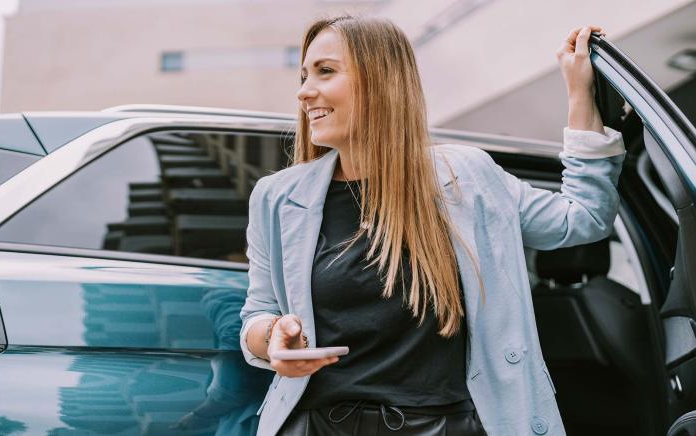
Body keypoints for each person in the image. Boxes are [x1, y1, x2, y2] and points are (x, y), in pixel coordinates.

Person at [239, 15, 625, 436]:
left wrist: (578, 91)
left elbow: (582, 219)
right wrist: (275, 336)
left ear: (380, 79)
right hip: (315, 426)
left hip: (445, 425)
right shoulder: (276, 197)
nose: (303, 91)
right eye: (303, 75)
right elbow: (258, 314)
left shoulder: (466, 176)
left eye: (325, 71)